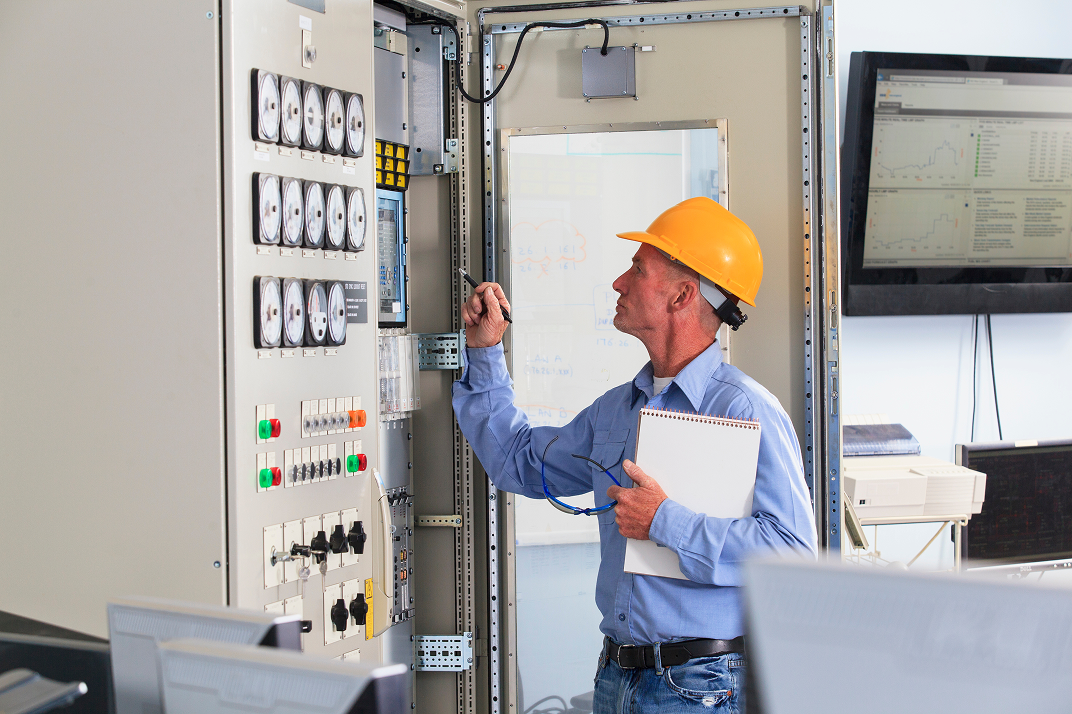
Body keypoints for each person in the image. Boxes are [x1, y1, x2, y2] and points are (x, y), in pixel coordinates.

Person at [452, 197, 817, 714]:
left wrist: (665, 521)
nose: (620, 283)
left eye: (638, 269)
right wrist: (485, 351)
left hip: (700, 687)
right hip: (616, 677)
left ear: (682, 295)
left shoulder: (745, 410)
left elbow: (792, 553)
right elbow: (519, 462)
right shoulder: (619, 410)